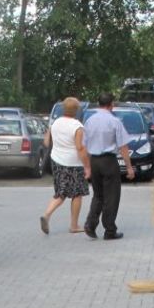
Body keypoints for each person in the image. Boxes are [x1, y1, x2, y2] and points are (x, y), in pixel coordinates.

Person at [81, 92, 133, 240]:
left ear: (99, 104)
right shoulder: (114, 121)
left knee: (98, 195)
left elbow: (83, 146)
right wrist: (129, 167)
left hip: (95, 161)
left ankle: (90, 224)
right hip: (109, 161)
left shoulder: (90, 121)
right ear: (112, 105)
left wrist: (87, 166)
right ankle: (109, 230)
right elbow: (123, 146)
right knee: (111, 196)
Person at [39, 97, 92, 235]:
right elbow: (80, 148)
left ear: (63, 109)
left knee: (60, 192)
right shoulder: (77, 127)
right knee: (77, 194)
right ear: (77, 110)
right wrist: (87, 166)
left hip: (56, 161)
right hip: (73, 164)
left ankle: (47, 214)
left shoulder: (55, 123)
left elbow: (46, 142)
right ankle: (74, 225)